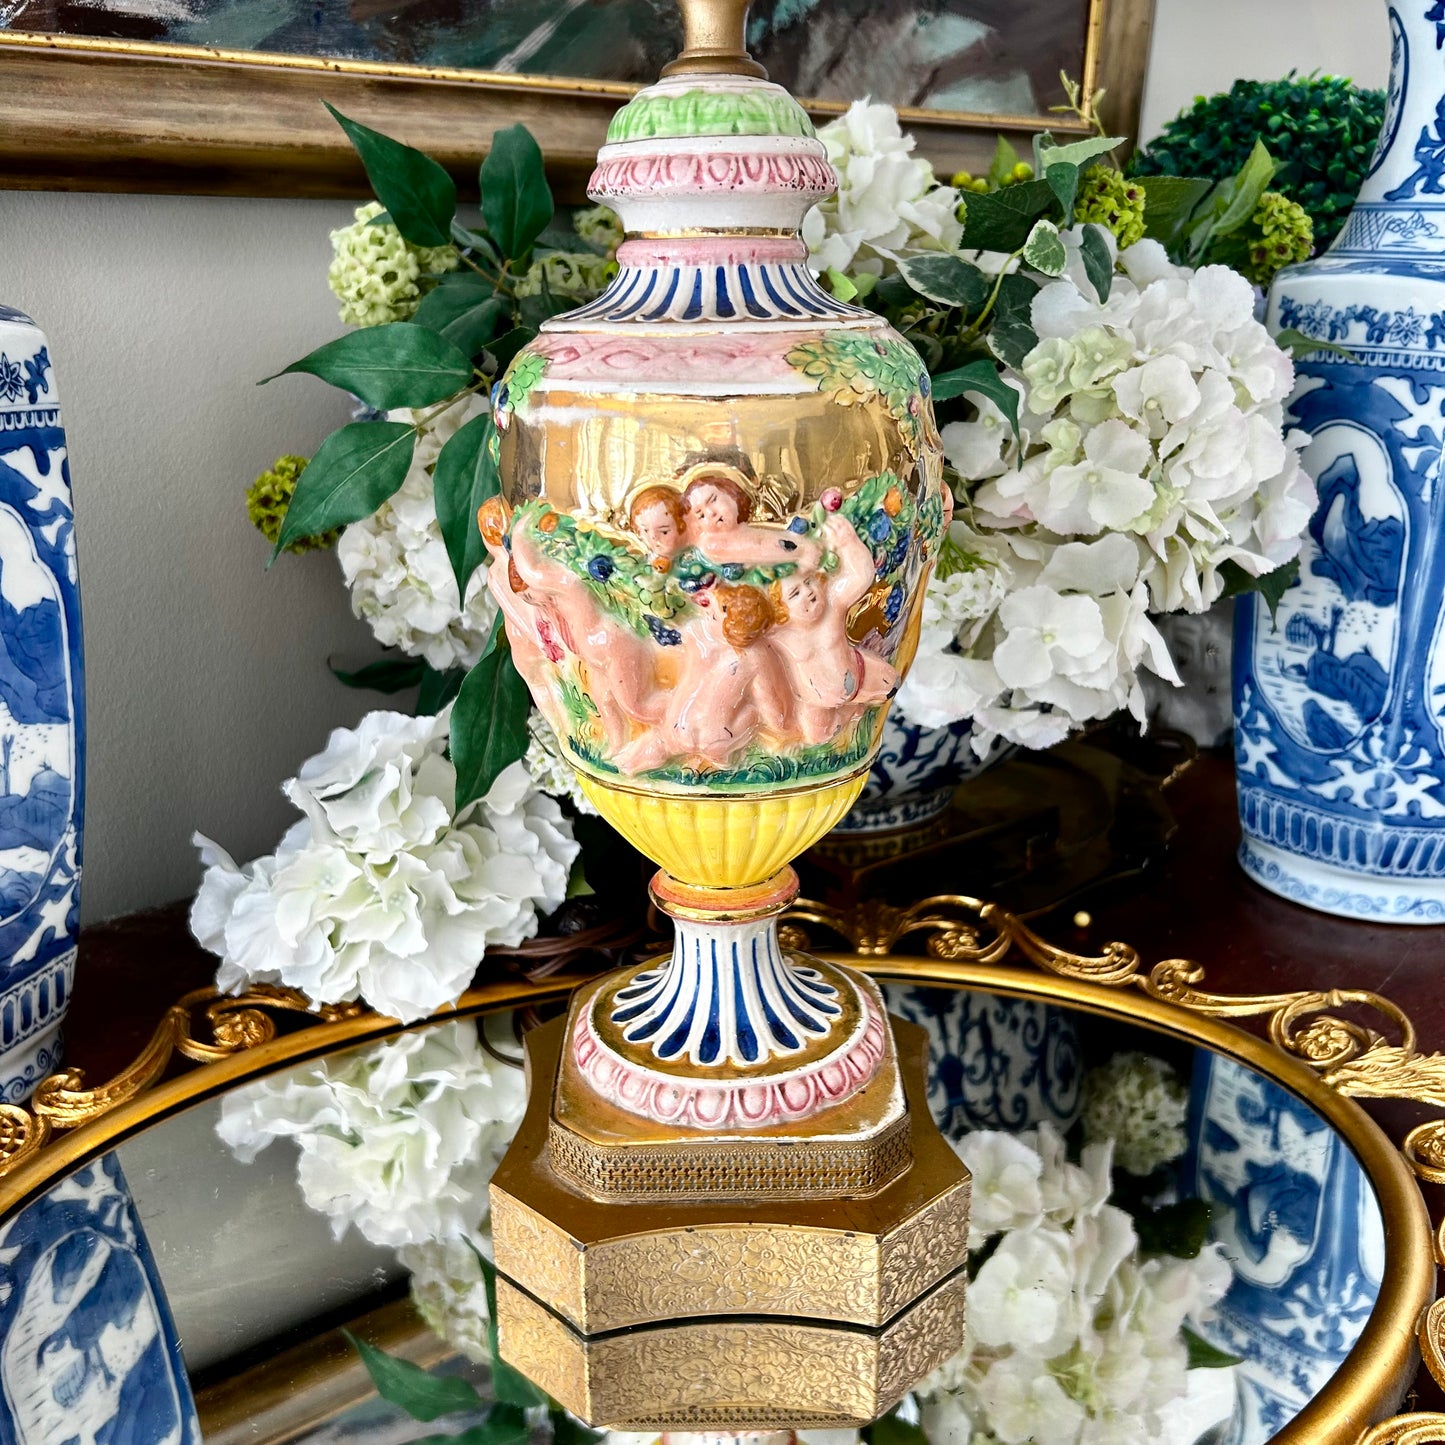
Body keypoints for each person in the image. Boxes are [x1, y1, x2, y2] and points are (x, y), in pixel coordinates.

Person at [767, 512, 898, 746]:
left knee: (892, 684)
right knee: (818, 736)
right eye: (795, 594)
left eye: (808, 582)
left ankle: (857, 706)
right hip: (816, 702)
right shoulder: (781, 634)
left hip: (859, 677)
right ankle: (850, 712)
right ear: (780, 608)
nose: (808, 592)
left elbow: (860, 577)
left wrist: (848, 542)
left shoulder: (832, 606)